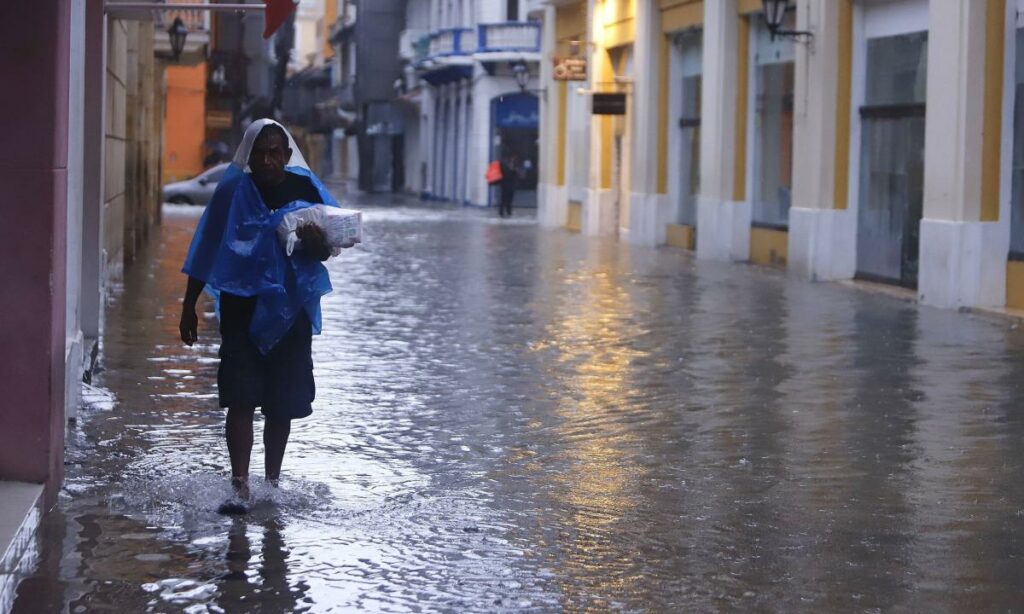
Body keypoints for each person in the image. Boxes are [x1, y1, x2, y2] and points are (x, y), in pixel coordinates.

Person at [178, 119, 350, 514]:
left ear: (288, 156)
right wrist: (189, 304)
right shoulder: (233, 192)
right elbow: (205, 246)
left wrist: (315, 242)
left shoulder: (306, 190)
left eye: (276, 152)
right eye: (261, 152)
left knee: (280, 401)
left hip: (290, 312)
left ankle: (271, 483)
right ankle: (240, 487)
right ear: (249, 155)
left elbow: (327, 248)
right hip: (242, 307)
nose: (269, 159)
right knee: (240, 396)